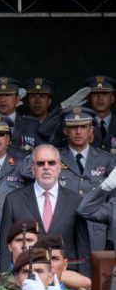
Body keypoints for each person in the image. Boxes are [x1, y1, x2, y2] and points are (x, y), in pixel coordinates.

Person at [0, 144, 89, 275]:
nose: (46, 167)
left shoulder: (76, 201)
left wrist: (84, 285)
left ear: (59, 167)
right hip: (26, 277)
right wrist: (6, 280)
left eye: (51, 163)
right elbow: (5, 245)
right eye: (41, 163)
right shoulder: (13, 200)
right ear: (33, 169)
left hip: (66, 281)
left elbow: (83, 249)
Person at [56, 106, 115, 254]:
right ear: (65, 130)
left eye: (83, 126)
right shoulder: (54, 158)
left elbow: (113, 203)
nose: (78, 132)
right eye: (73, 127)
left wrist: (111, 238)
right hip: (64, 230)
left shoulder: (107, 159)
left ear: (91, 130)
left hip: (96, 232)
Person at [85, 75, 116, 151]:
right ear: (88, 98)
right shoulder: (80, 126)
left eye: (105, 93)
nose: (100, 98)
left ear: (112, 98)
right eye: (95, 94)